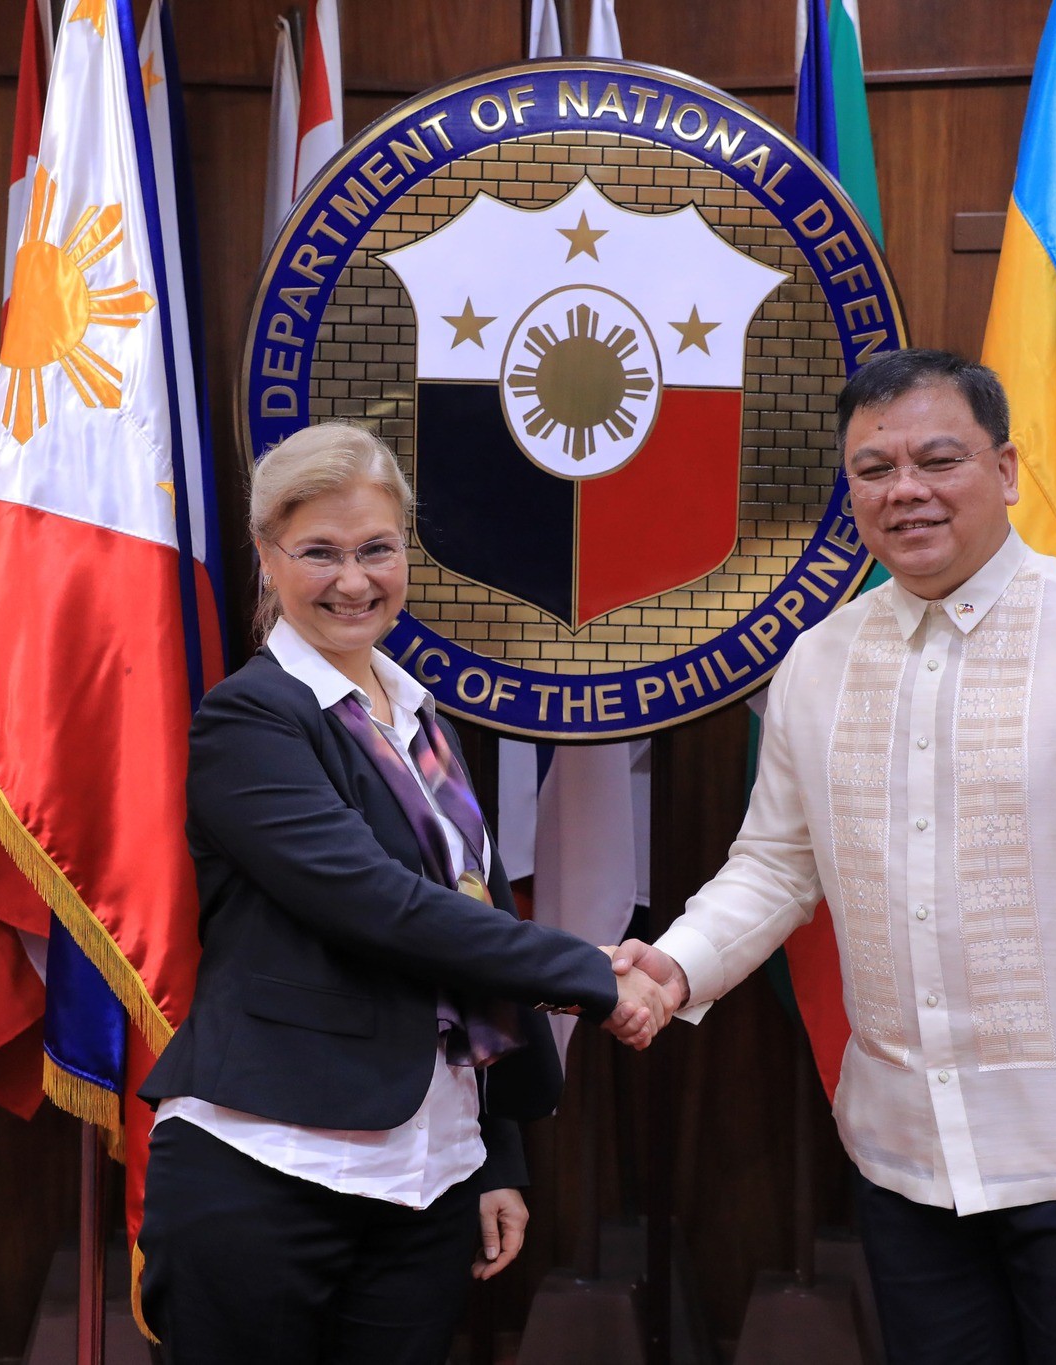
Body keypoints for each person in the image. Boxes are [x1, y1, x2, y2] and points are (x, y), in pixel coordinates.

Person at [609, 350, 1056, 1364]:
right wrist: (676, 961)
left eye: (936, 459)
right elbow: (776, 868)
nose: (904, 490)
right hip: (904, 1162)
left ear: (1004, 470)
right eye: (872, 469)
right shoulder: (818, 661)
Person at [138, 421, 676, 1364]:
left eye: (377, 549)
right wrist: (590, 969)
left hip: (430, 1175)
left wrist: (493, 1152)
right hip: (270, 1167)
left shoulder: (416, 712)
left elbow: (469, 921)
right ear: (268, 558)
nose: (354, 580)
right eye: (319, 553)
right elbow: (379, 905)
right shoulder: (250, 719)